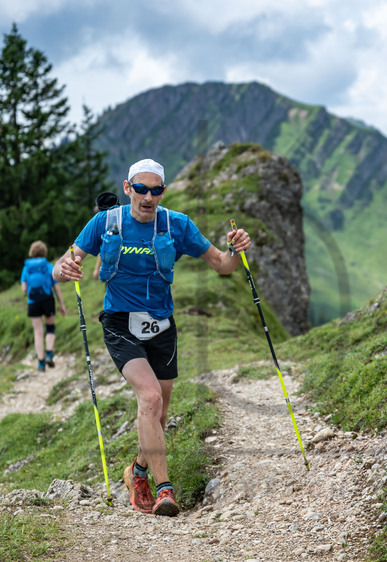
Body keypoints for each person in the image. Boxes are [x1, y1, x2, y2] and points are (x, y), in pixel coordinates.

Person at [53, 158, 252, 517]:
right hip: (119, 322)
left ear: (163, 192)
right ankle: (163, 490)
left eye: (155, 190)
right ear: (128, 189)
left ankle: (136, 471)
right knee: (149, 397)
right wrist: (64, 269)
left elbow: (222, 264)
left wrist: (236, 249)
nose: (148, 196)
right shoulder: (105, 222)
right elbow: (63, 264)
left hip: (161, 325)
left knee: (158, 413)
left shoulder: (178, 225)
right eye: (141, 189)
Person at [21, 240, 67, 371]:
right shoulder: (48, 266)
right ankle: (49, 354)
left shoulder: (26, 268)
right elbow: (56, 288)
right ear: (44, 252)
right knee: (50, 328)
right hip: (47, 300)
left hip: (33, 302)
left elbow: (24, 289)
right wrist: (62, 305)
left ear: (32, 252)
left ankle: (40, 363)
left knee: (38, 332)